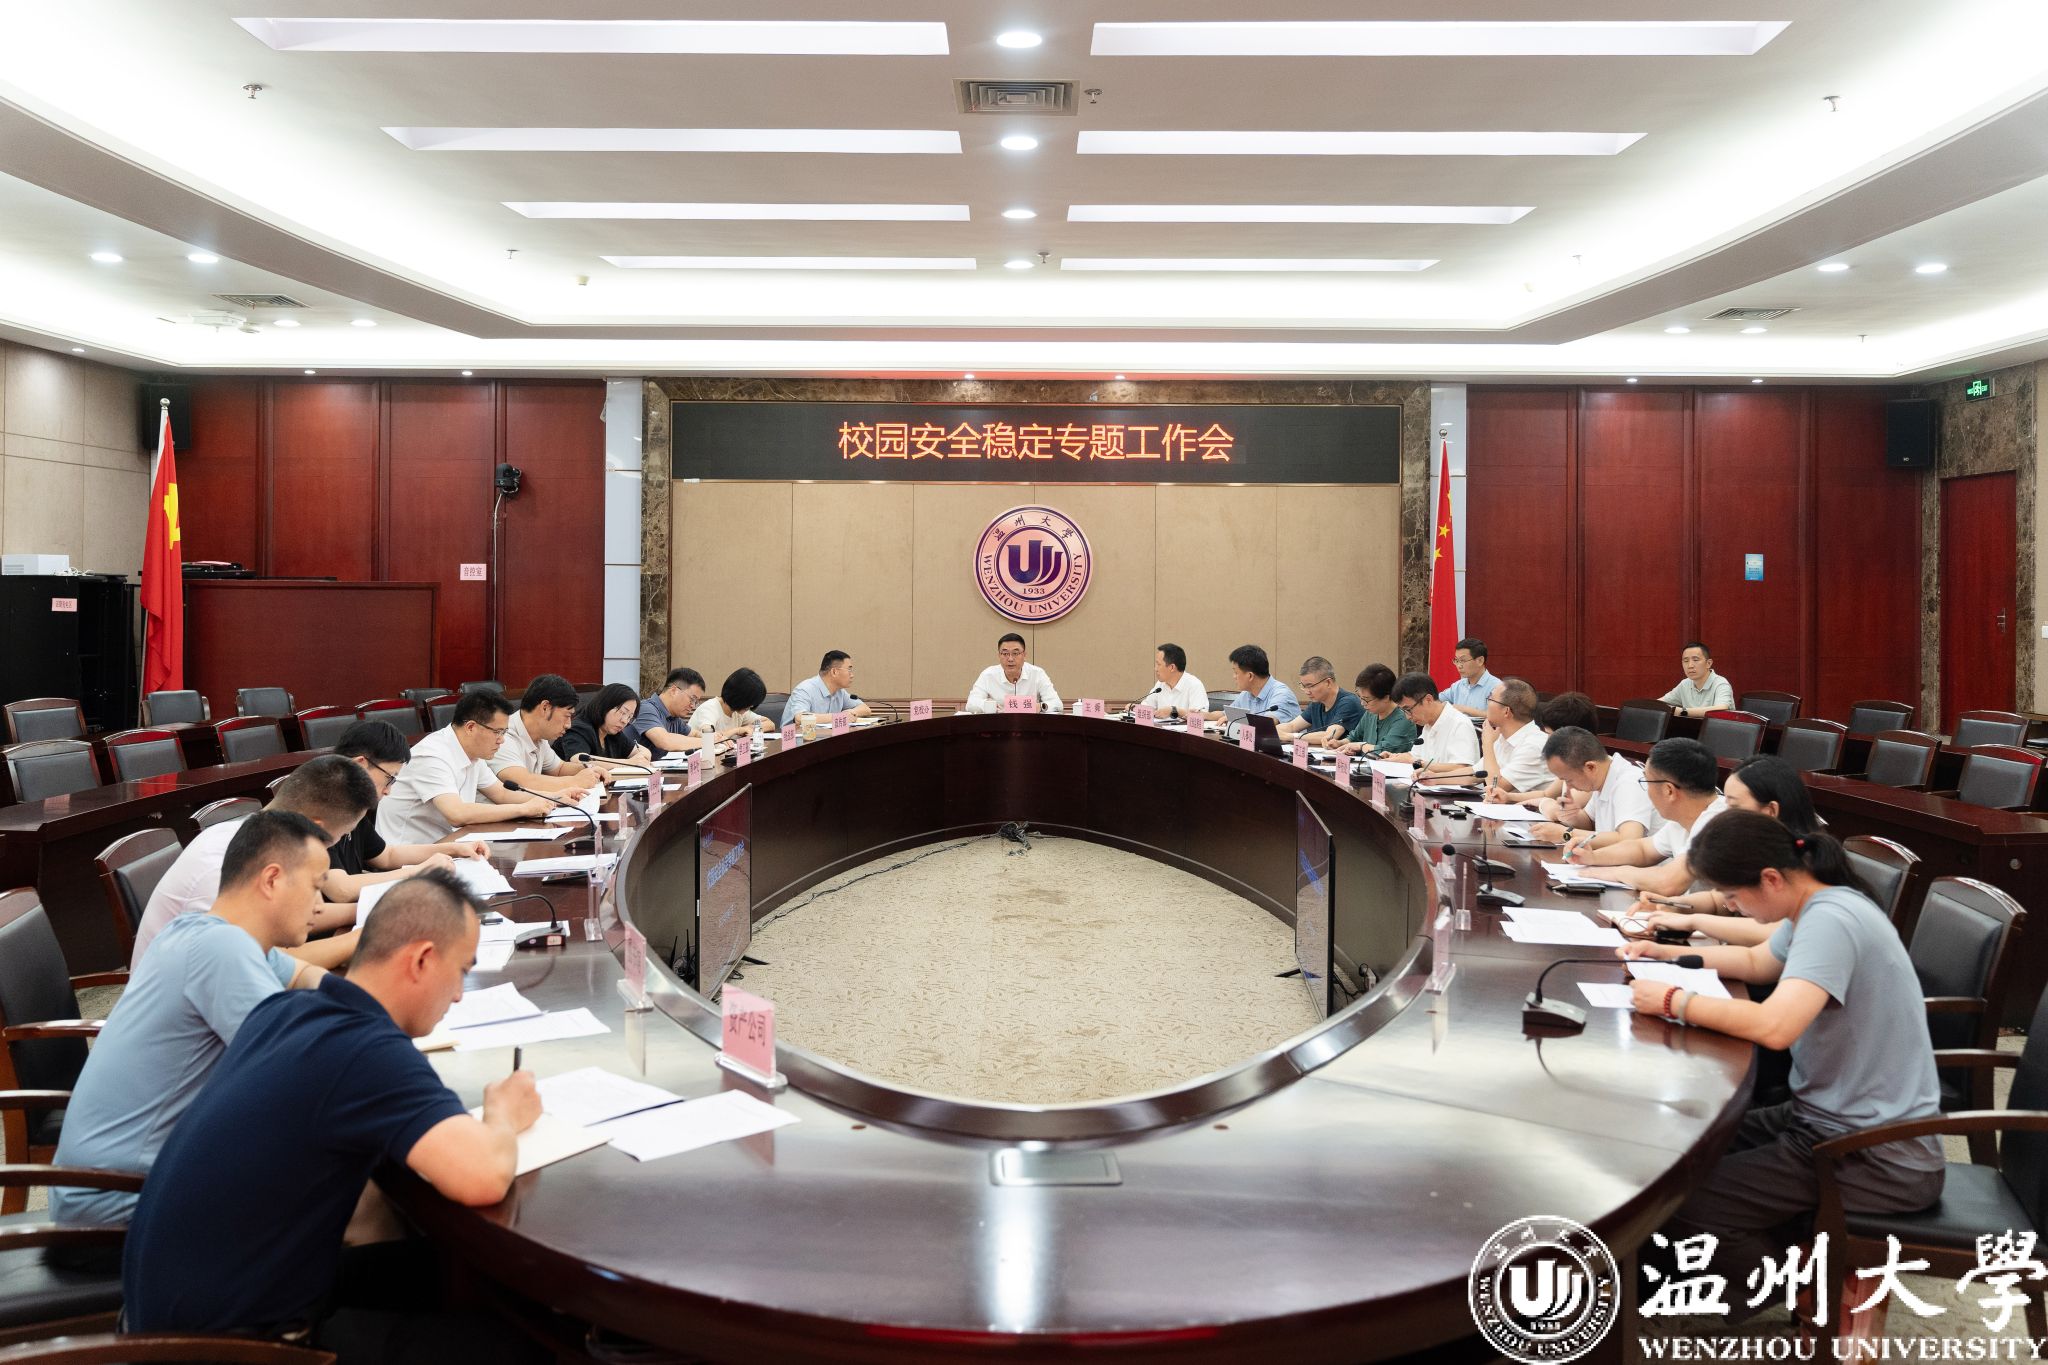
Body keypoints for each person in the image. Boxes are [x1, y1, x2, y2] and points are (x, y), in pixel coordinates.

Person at [121, 870, 545, 1362]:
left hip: (162, 1315)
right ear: (422, 959)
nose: (458, 995)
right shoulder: (366, 1051)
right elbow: (483, 1177)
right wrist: (502, 1113)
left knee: (450, 1265)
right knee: (524, 1346)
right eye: (462, 971)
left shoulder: (285, 1010)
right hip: (234, 1346)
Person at [1618, 813, 1943, 1293]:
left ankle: (1799, 1291)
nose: (1732, 906)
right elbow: (1757, 961)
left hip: (1874, 1154)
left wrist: (1673, 1001)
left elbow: (1775, 1027)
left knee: (1687, 1205)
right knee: (1679, 1145)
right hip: (1824, 1117)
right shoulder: (1818, 904)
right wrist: (1668, 955)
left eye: (1732, 895)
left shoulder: (1831, 920)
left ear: (1770, 878)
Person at [52, 812, 331, 1243]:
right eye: (315, 886)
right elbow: (291, 1070)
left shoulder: (201, 930)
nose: (320, 904)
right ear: (272, 879)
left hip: (126, 1183)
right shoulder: (220, 947)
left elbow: (304, 975)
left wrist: (361, 1007)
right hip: (120, 1205)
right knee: (346, 1186)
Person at [132, 755, 379, 970]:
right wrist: (362, 937)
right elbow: (266, 964)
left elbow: (297, 920)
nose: (317, 903)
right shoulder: (224, 869)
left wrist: (367, 911)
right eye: (341, 836)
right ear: (314, 828)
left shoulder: (250, 836)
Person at [1622, 756, 1823, 942]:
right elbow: (1720, 900)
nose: (1725, 815)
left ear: (1770, 811)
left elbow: (1779, 933)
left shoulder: (1805, 862)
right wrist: (1673, 905)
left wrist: (1693, 921)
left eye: (1733, 807)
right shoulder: (1752, 847)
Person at [324, 721, 489, 905]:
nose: (388, 791)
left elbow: (387, 856)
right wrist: (418, 871)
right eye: (389, 778)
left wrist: (455, 849)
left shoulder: (353, 805)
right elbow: (341, 890)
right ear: (361, 764)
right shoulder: (317, 808)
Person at [375, 690, 556, 847]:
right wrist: (524, 809)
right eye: (497, 732)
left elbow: (501, 793)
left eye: (504, 732)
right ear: (470, 727)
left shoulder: (473, 752)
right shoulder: (431, 756)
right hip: (408, 855)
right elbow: (457, 814)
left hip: (448, 846)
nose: (502, 740)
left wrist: (554, 798)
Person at [1568, 737, 1726, 895]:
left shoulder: (1717, 822)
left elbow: (1668, 882)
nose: (1646, 790)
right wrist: (1592, 857)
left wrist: (1615, 873)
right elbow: (1642, 849)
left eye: (1646, 781)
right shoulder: (1684, 818)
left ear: (1669, 791)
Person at [1529, 726, 1663, 852]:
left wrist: (1565, 834)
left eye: (1569, 780)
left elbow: (1629, 840)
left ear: (1590, 767)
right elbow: (1589, 823)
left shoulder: (1629, 782)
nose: (1568, 787)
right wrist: (1572, 816)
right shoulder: (1604, 776)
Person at [487, 674, 604, 795]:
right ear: (545, 708)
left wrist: (590, 769)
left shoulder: (539, 736)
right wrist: (576, 781)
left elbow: (559, 769)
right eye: (567, 716)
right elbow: (523, 782)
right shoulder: (502, 735)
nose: (568, 725)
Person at [1383, 672, 1479, 775]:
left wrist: (1416, 762)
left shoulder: (1460, 724)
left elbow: (1463, 769)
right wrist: (1396, 757)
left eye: (1408, 710)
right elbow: (1415, 756)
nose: (1408, 717)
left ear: (1428, 700)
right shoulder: (1428, 724)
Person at [1481, 678, 1549, 798]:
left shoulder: (1533, 745)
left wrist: (1487, 744)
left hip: (1533, 809)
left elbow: (1496, 788)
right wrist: (1441, 778)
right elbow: (1473, 773)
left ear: (1506, 711)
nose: (1487, 703)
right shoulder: (1501, 736)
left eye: (1490, 698)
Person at [964, 633, 1063, 713]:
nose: (1010, 659)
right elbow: (971, 703)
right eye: (1005, 653)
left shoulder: (1037, 674)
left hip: (1029, 726)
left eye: (1015, 653)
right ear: (999, 655)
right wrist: (989, 706)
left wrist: (1040, 707)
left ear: (1024, 655)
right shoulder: (988, 675)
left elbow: (1057, 704)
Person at [558, 683, 653, 766]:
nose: (624, 721)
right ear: (605, 705)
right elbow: (580, 761)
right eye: (622, 712)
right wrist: (628, 763)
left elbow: (645, 752)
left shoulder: (612, 733)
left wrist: (638, 760)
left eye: (630, 717)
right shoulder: (578, 729)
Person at [1205, 645, 1301, 725]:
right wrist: (1205, 715)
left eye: (1236, 672)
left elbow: (1268, 723)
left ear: (1250, 676)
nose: (1234, 677)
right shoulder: (1246, 694)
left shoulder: (1281, 694)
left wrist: (1237, 720)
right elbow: (1226, 714)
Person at [1336, 664, 1418, 757]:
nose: (1362, 703)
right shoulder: (1371, 713)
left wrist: (1360, 746)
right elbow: (1355, 737)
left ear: (1386, 697)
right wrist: (1340, 743)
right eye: (1360, 697)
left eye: (1366, 699)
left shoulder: (1404, 718)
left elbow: (1384, 750)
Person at [1282, 656, 1364, 745]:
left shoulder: (1349, 702)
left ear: (1328, 682)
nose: (1306, 691)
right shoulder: (1317, 702)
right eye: (1303, 686)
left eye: (1310, 686)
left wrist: (1289, 736)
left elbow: (1328, 736)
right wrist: (1274, 732)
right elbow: (1292, 726)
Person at [626, 667, 709, 754]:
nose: (693, 705)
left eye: (696, 702)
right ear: (673, 691)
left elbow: (694, 734)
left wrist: (711, 736)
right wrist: (708, 741)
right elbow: (665, 741)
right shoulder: (645, 708)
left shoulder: (674, 717)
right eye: (692, 699)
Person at [782, 650, 872, 727]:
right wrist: (838, 717)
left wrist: (851, 712)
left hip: (823, 738)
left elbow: (865, 709)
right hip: (794, 740)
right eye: (849, 670)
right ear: (834, 672)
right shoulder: (805, 689)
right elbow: (800, 718)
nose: (852, 675)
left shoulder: (840, 691)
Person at [1138, 643, 1207, 722]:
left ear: (1172, 667)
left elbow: (1199, 717)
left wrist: (1174, 710)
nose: (1155, 669)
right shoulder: (1160, 684)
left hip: (1183, 730)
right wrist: (1134, 707)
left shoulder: (1194, 685)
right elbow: (1148, 706)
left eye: (1158, 664)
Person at [1663, 640, 1734, 717]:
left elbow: (1721, 710)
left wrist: (1683, 711)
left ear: (1708, 663)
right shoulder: (1685, 684)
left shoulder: (1721, 683)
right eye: (1686, 661)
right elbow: (1660, 704)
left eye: (1695, 660)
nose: (1690, 665)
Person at [1439, 638, 1501, 718]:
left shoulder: (1497, 687)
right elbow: (1437, 701)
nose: (1459, 666)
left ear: (1480, 661)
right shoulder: (1458, 686)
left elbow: (1500, 717)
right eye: (1457, 660)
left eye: (1463, 660)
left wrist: (1465, 709)